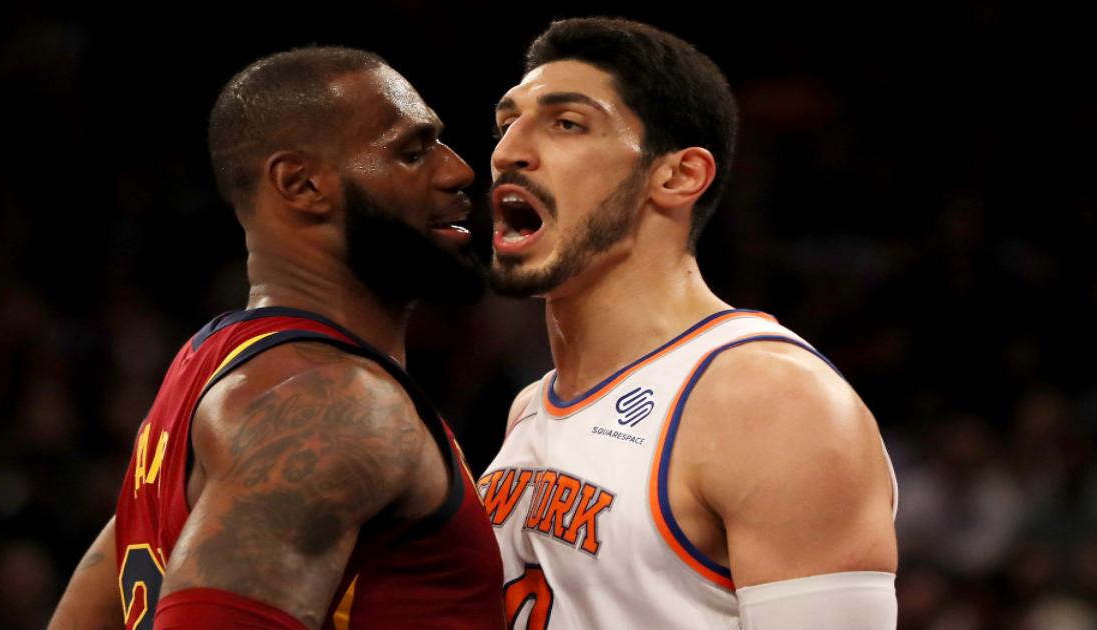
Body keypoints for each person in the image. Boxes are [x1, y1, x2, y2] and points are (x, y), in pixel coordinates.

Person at [48, 46, 505, 630]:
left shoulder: (214, 367)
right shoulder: (330, 403)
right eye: (412, 153)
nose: (458, 171)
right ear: (301, 184)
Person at [479, 17, 899, 630]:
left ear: (677, 176)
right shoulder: (529, 409)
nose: (507, 151)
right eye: (506, 124)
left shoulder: (773, 401)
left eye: (567, 123)